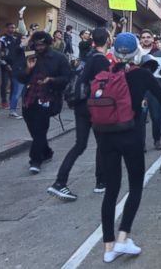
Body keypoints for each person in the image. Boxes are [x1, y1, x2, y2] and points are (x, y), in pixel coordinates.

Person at [95, 32, 161, 263]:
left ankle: (108, 247)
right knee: (135, 186)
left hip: (105, 136)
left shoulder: (104, 75)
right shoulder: (143, 75)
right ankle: (123, 237)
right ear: (138, 51)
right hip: (131, 134)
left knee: (111, 191)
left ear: (114, 52)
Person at [47, 28, 111, 201]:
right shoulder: (101, 61)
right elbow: (104, 86)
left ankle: (60, 182)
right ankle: (101, 182)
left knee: (80, 145)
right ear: (107, 40)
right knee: (102, 143)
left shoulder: (86, 58)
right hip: (94, 106)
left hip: (80, 105)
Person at [16, 31, 71, 174]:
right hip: (29, 98)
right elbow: (20, 77)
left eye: (42, 44)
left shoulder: (59, 58)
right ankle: (46, 151)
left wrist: (51, 80)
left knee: (40, 128)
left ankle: (35, 160)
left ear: (47, 43)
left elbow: (66, 78)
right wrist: (28, 68)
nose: (39, 47)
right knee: (34, 129)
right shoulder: (30, 55)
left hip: (48, 98)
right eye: (36, 44)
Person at [139, 29, 161, 151]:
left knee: (156, 117)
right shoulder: (136, 53)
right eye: (143, 37)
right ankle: (142, 144)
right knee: (141, 117)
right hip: (141, 90)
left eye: (148, 37)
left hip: (156, 89)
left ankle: (157, 140)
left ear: (152, 39)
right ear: (141, 39)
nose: (146, 39)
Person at [0, 22, 25, 118]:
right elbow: (0, 53)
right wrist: (5, 64)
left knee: (14, 87)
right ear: (6, 28)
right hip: (6, 64)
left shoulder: (15, 39)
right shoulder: (3, 39)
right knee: (5, 83)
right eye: (11, 27)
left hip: (14, 65)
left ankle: (12, 103)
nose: (13, 29)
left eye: (14, 27)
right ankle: (4, 101)